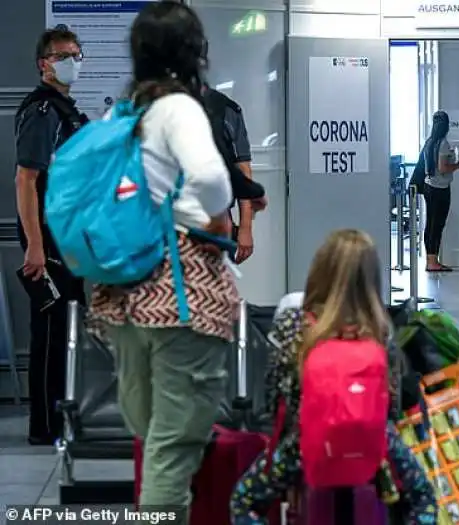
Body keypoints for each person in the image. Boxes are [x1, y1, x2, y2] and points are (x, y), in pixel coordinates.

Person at [87, 2, 238, 518]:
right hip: (180, 294)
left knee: (151, 439)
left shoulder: (121, 111)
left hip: (122, 295)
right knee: (173, 451)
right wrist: (218, 219)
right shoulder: (178, 108)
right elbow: (213, 180)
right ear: (194, 50)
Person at [230, 229, 437, 525]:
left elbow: (276, 395)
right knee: (423, 499)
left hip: (304, 445)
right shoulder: (380, 330)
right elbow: (391, 404)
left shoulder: (293, 323)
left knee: (244, 501)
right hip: (374, 446)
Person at [15, 25, 89, 446]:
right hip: (49, 240)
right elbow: (26, 180)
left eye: (77, 54)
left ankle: (63, 415)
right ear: (45, 63)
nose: (72, 62)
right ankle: (44, 426)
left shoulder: (67, 111)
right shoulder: (42, 111)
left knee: (67, 332)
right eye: (63, 55)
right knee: (50, 332)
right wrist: (36, 246)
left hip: (70, 237)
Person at [201, 40, 262, 264]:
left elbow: (242, 168)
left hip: (215, 222)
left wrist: (245, 227)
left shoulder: (224, 110)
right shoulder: (157, 107)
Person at [421, 111, 459, 273]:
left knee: (430, 224)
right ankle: (433, 262)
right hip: (440, 189)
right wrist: (457, 166)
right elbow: (443, 168)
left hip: (428, 186)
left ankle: (430, 260)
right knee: (437, 225)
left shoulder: (429, 142)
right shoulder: (443, 143)